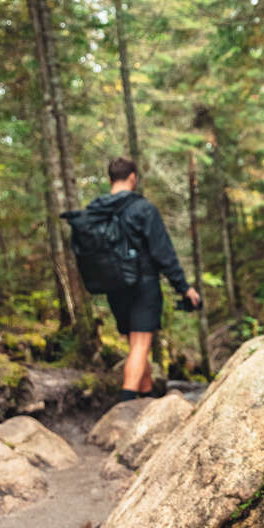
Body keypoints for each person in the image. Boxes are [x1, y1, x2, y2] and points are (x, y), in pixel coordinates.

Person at [88, 157, 200, 402]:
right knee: (140, 345)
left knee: (136, 345)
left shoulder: (96, 210)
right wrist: (184, 288)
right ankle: (125, 405)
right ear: (132, 178)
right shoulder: (143, 208)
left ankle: (147, 396)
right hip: (143, 285)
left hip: (113, 286)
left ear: (110, 180)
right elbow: (163, 253)